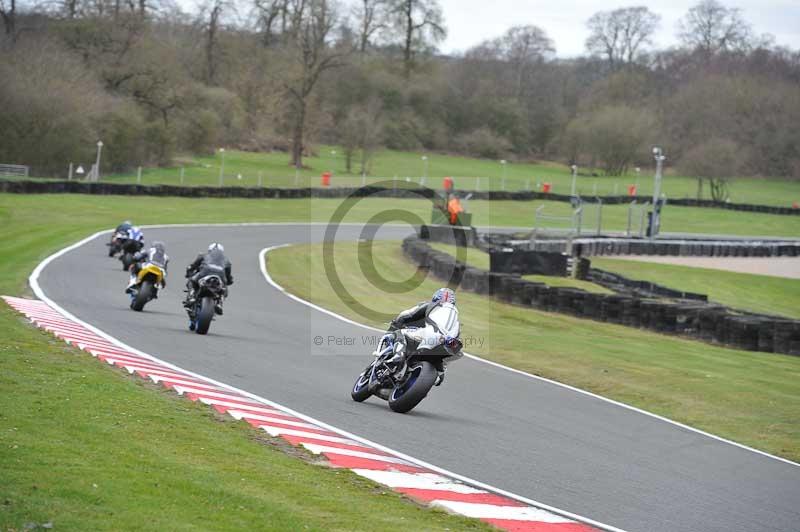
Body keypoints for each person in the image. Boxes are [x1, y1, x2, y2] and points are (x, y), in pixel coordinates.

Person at [386, 287, 463, 386]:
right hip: (447, 344)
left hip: (430, 336)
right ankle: (440, 373)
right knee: (443, 359)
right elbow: (455, 340)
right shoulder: (456, 321)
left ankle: (399, 355)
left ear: (436, 297)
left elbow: (407, 315)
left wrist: (395, 323)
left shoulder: (432, 305)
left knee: (399, 333)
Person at [183, 243, 233, 315]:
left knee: (192, 281)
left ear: (209, 250)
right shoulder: (226, 260)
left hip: (205, 272)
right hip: (220, 276)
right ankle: (219, 303)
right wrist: (229, 281)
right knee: (224, 288)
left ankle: (192, 296)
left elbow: (193, 266)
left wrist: (188, 273)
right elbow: (228, 276)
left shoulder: (203, 255)